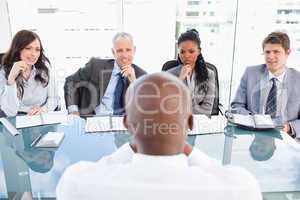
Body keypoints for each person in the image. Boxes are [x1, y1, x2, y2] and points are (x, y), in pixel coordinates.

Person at [57, 72, 262, 200]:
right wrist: (184, 145)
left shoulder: (77, 183)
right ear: (190, 123)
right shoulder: (240, 187)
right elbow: (217, 172)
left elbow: (101, 167)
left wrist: (135, 141)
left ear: (127, 124)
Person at [231, 31, 300, 138]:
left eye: (276, 52)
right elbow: (236, 106)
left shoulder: (298, 79)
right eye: (267, 52)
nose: (270, 56)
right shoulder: (250, 73)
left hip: (284, 137)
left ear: (288, 53)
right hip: (253, 134)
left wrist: (289, 127)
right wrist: (251, 119)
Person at [64, 32, 146, 116]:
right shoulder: (96, 66)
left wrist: (134, 82)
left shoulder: (142, 76)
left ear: (134, 50)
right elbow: (70, 81)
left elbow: (145, 108)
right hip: (93, 120)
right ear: (113, 52)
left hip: (124, 124)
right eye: (120, 51)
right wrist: (73, 110)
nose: (125, 55)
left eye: (128, 50)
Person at [0, 30, 59, 116]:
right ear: (18, 49)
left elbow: (54, 99)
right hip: (16, 119)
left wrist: (43, 110)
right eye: (28, 48)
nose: (33, 54)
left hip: (39, 118)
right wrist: (11, 79)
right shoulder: (3, 73)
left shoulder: (44, 71)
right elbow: (10, 112)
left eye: (37, 50)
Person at [167, 29, 215, 115]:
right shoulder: (169, 74)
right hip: (176, 121)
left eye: (191, 51)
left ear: (199, 51)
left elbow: (207, 108)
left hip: (200, 121)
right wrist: (180, 79)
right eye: (182, 52)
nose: (186, 56)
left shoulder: (209, 74)